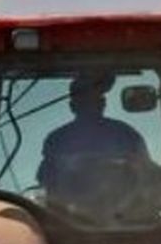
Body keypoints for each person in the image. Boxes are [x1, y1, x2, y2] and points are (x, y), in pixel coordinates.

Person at [37, 73, 150, 208]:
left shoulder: (56, 138)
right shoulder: (126, 134)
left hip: (125, 217)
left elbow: (146, 174)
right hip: (70, 219)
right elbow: (48, 181)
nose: (90, 105)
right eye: (85, 100)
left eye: (93, 100)